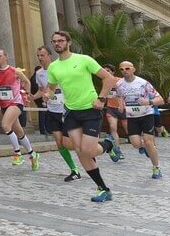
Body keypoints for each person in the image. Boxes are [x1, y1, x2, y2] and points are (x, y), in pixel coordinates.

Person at [47, 31, 120, 202]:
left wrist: (101, 99)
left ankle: (109, 144)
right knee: (80, 152)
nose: (57, 43)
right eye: (54, 41)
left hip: (90, 109)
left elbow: (109, 79)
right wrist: (47, 95)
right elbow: (50, 88)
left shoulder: (84, 59)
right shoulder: (53, 67)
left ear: (69, 42)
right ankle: (103, 189)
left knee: (88, 150)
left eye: (60, 40)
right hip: (71, 112)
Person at [33, 46, 81, 181]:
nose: (40, 58)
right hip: (52, 111)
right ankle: (74, 170)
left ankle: (92, 155)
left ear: (49, 56)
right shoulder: (39, 73)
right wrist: (32, 97)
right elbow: (42, 90)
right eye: (38, 56)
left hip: (67, 110)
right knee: (59, 142)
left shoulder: (59, 68)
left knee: (71, 143)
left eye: (42, 55)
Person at [114, 62, 164, 179]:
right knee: (136, 144)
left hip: (146, 115)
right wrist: (121, 105)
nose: (124, 71)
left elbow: (160, 99)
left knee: (148, 142)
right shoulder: (119, 84)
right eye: (121, 69)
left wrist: (149, 102)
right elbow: (119, 96)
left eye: (127, 68)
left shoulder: (143, 83)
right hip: (132, 117)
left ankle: (156, 168)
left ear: (133, 69)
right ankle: (148, 148)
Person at [0, 49, 39, 170]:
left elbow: (27, 81)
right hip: (4, 104)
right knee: (19, 131)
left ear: (5, 57)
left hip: (16, 102)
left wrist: (27, 94)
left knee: (5, 125)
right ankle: (32, 153)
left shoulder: (15, 71)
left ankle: (17, 153)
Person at [102, 63, 126, 160]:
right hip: (111, 108)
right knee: (113, 128)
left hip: (123, 108)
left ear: (112, 72)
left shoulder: (120, 81)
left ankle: (143, 146)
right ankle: (117, 150)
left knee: (129, 130)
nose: (105, 73)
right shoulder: (104, 82)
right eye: (104, 71)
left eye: (108, 71)